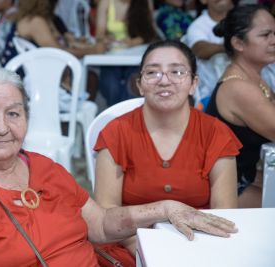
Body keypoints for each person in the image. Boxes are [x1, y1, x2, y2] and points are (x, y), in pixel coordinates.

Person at [0, 66, 238, 267]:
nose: (1, 127)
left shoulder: (41, 167)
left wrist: (165, 208)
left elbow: (101, 226)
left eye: (13, 113)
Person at [94, 40, 241, 266]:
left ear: (194, 84)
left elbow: (225, 216)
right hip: (129, 245)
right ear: (140, 84)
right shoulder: (116, 132)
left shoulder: (216, 133)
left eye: (177, 71)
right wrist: (149, 252)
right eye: (152, 72)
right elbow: (105, 214)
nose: (164, 80)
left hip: (199, 247)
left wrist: (186, 254)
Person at [206, 4, 275, 208]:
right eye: (266, 35)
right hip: (232, 192)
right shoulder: (238, 87)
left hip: (253, 181)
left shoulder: (254, 78)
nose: (274, 40)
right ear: (238, 43)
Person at [95, 0, 158, 106]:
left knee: (133, 84)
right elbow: (99, 34)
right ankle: (118, 118)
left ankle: (127, 118)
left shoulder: (145, 2)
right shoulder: (105, 2)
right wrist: (106, 39)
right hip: (111, 58)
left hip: (137, 57)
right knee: (111, 85)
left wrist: (132, 42)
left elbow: (150, 33)